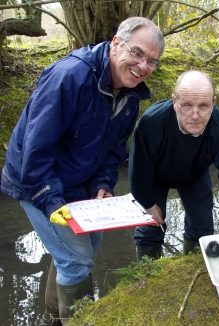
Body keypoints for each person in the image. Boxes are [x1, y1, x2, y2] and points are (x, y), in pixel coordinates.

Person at [1, 17, 165, 325]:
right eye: (138, 53)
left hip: (79, 182)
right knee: (76, 260)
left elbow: (114, 150)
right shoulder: (69, 77)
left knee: (83, 248)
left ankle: (53, 316)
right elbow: (35, 150)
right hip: (36, 180)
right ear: (117, 43)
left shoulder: (131, 96)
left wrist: (102, 185)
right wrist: (49, 199)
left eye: (152, 61)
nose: (143, 66)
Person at [128, 70, 219, 272]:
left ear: (213, 103)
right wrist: (148, 204)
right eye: (187, 105)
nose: (195, 115)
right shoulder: (151, 122)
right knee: (150, 227)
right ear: (175, 102)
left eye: (203, 106)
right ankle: (147, 276)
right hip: (154, 176)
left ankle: (193, 272)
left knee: (202, 226)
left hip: (194, 174)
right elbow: (138, 172)